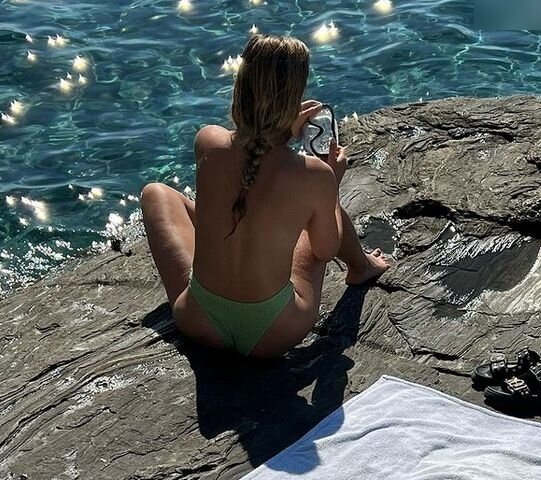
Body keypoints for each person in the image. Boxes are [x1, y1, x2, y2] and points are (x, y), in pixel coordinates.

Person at [141, 34, 391, 359]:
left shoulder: (208, 140)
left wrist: (279, 130)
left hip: (198, 320)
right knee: (313, 220)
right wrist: (331, 184)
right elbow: (325, 250)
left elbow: (250, 163)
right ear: (294, 99)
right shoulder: (313, 174)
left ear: (240, 89)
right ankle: (361, 268)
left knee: (156, 192)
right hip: (273, 331)